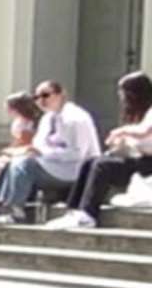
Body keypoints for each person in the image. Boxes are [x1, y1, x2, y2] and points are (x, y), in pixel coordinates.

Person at [0, 79, 97, 226]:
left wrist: (42, 153)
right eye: (36, 97)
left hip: (74, 170)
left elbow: (77, 154)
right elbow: (38, 145)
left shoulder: (75, 118)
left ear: (61, 95)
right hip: (50, 165)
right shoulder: (47, 118)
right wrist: (29, 151)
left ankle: (16, 212)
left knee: (24, 165)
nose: (41, 101)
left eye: (46, 95)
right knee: (13, 163)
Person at [49, 71, 152, 229]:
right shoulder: (137, 115)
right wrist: (117, 146)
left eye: (123, 92)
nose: (121, 97)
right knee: (91, 162)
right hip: (139, 160)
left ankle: (88, 214)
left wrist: (120, 132)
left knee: (102, 166)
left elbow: (145, 131)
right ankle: (74, 210)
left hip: (148, 165)